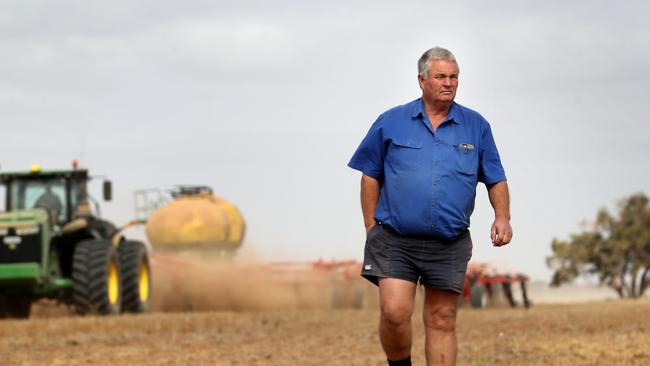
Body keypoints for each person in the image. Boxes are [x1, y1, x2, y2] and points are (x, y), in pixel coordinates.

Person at [348, 47, 512, 366]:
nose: (448, 83)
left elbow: (495, 177)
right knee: (394, 313)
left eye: (454, 77)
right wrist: (371, 228)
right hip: (395, 240)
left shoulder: (476, 126)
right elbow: (370, 176)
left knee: (442, 319)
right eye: (440, 76)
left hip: (449, 243)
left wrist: (502, 217)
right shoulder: (391, 121)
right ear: (421, 80)